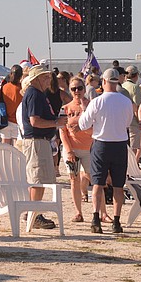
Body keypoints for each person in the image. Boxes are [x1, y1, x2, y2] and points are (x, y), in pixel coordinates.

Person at [78, 68, 134, 234]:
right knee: (118, 186)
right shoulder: (125, 101)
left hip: (101, 144)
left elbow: (83, 125)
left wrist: (84, 111)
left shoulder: (97, 101)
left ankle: (96, 218)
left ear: (104, 82)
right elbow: (128, 122)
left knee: (97, 183)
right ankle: (116, 221)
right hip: (119, 143)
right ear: (117, 82)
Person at [21, 65, 66, 229]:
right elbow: (34, 121)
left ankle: (32, 212)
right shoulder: (34, 94)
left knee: (38, 179)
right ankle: (34, 214)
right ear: (37, 79)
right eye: (45, 77)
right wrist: (55, 123)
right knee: (37, 180)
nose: (49, 79)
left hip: (40, 140)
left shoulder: (38, 94)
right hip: (36, 140)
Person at [61, 76, 93, 222]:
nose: (77, 91)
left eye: (79, 88)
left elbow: (96, 124)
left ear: (84, 89)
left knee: (94, 178)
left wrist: (85, 109)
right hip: (72, 148)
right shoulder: (65, 108)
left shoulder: (91, 105)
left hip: (89, 148)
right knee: (74, 180)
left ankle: (100, 212)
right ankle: (78, 212)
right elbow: (62, 131)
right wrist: (68, 151)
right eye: (73, 89)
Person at [0, 65, 23, 147]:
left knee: (5, 144)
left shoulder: (5, 87)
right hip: (17, 120)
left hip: (5, 119)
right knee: (16, 146)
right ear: (21, 76)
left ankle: (5, 160)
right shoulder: (22, 88)